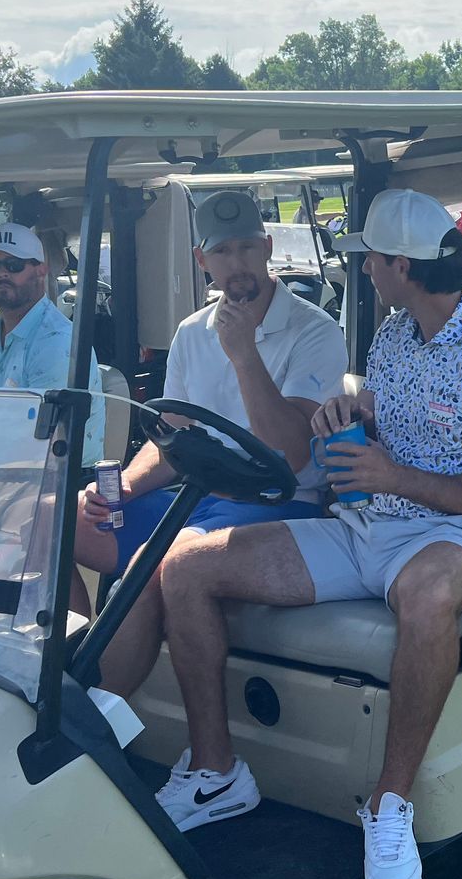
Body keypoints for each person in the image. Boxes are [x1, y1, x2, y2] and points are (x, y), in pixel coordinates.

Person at [138, 189, 462, 879]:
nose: (361, 270)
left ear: (400, 266)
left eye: (370, 260)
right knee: (187, 567)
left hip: (450, 535)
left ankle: (390, 807)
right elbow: (385, 422)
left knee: (428, 595)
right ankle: (215, 770)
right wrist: (350, 412)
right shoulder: (394, 335)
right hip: (364, 526)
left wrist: (393, 476)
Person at [72, 190, 343, 689]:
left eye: (247, 248)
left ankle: (94, 713)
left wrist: (244, 355)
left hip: (280, 502)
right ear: (202, 260)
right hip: (197, 497)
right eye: (222, 251)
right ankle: (52, 680)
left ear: (267, 248)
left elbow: (291, 451)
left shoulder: (314, 330)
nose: (236, 264)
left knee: (150, 564)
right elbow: (172, 435)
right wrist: (128, 485)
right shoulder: (192, 332)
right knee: (54, 523)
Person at [0, 221, 105, 467]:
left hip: (51, 479)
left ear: (41, 270)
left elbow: (44, 445)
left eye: (14, 265)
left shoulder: (56, 342)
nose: (1, 274)